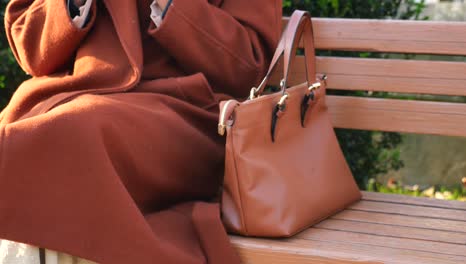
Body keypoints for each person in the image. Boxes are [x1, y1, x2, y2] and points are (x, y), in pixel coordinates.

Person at [0, 0, 282, 263]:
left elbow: (247, 65)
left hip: (186, 108)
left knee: (69, 138)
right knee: (32, 142)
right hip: (67, 97)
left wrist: (170, 5)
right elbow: (30, 48)